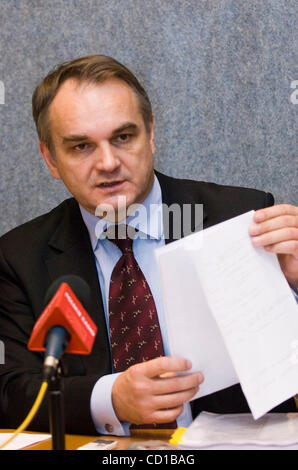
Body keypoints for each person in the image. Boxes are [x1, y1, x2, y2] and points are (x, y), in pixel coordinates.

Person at [0, 55, 297, 436]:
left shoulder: (239, 218)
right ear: (50, 159)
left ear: (151, 133)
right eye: (81, 147)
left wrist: (295, 285)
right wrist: (111, 398)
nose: (108, 162)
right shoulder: (19, 257)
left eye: (123, 137)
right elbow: (11, 392)